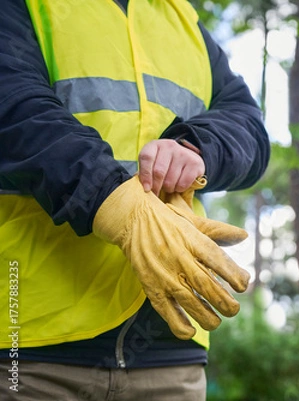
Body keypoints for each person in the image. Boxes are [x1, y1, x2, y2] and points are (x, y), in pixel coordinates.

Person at [0, 0, 270, 399]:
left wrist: (196, 148)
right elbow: (15, 108)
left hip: (170, 352)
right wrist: (110, 199)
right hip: (33, 345)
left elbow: (249, 125)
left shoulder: (184, 19)